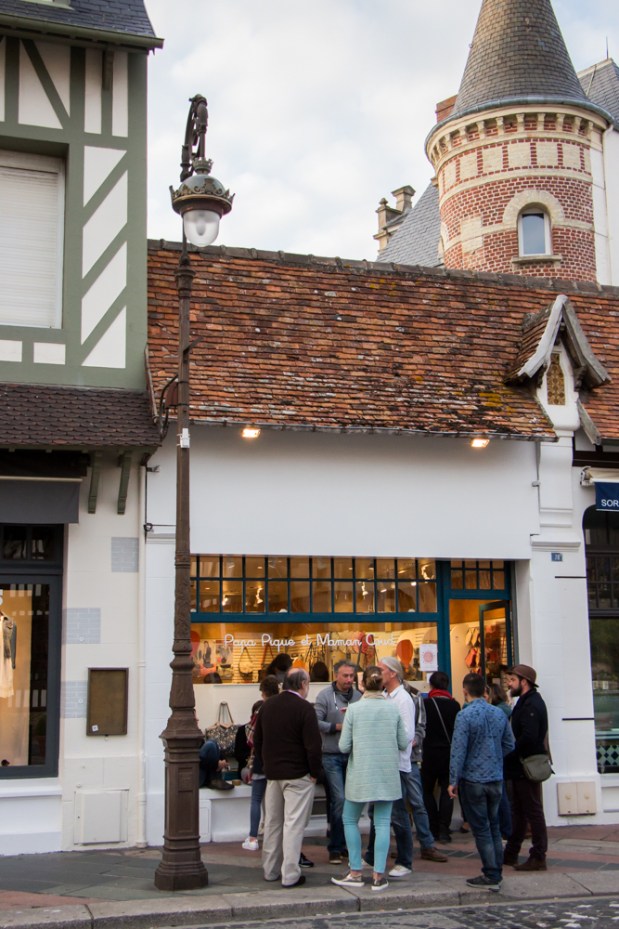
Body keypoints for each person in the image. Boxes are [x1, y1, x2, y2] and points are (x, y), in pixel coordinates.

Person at [364, 657, 447, 877]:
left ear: (392, 673)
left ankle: (405, 860)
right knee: (376, 811)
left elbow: (408, 735)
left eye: (380, 670)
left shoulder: (403, 699)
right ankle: (372, 855)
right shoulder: (385, 697)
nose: (377, 674)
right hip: (385, 763)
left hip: (397, 764)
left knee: (399, 812)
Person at [331, 665, 408, 892]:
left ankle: (355, 871)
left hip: (361, 774)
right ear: (382, 684)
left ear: (362, 684)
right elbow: (403, 743)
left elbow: (344, 746)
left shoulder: (353, 710)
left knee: (349, 819)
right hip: (386, 773)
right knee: (383, 823)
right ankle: (378, 875)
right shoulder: (393, 709)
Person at [253, 668, 322, 888]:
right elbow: (313, 746)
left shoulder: (268, 706)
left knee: (273, 823)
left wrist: (266, 766)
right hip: (298, 775)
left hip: (273, 775)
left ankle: (270, 870)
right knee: (293, 825)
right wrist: (314, 773)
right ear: (302, 684)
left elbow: (258, 740)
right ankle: (290, 874)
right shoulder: (305, 709)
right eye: (308, 683)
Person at [448, 672, 515, 892]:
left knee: (482, 829)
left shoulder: (465, 716)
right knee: (494, 827)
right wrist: (495, 757)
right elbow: (510, 744)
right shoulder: (498, 713)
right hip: (495, 777)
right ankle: (497, 870)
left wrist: (453, 780)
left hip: (473, 778)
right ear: (485, 691)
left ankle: (491, 873)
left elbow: (458, 750)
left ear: (465, 690)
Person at [503, 664, 550, 871]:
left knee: (532, 811)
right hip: (521, 765)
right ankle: (511, 853)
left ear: (524, 682)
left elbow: (529, 737)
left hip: (526, 765)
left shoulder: (531, 704)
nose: (508, 684)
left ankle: (538, 855)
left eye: (512, 680)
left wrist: (511, 752)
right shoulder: (525, 701)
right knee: (520, 811)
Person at [314, 659, 362, 864]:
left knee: (349, 800)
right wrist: (336, 727)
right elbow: (315, 721)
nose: (349, 680)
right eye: (345, 676)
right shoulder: (324, 696)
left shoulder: (359, 697)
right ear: (336, 675)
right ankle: (335, 847)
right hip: (331, 755)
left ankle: (344, 845)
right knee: (340, 799)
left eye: (351, 676)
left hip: (352, 755)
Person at [241, 675, 280, 851]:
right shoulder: (283, 707)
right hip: (278, 761)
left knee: (256, 799)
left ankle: (253, 837)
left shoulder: (261, 710)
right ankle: (274, 836)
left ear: (263, 691)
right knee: (276, 802)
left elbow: (251, 738)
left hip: (261, 759)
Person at [421, 670, 460, 843]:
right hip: (448, 753)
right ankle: (444, 828)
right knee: (447, 791)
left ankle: (433, 826)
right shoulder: (455, 705)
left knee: (427, 791)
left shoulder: (426, 704)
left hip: (429, 753)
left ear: (431, 685)